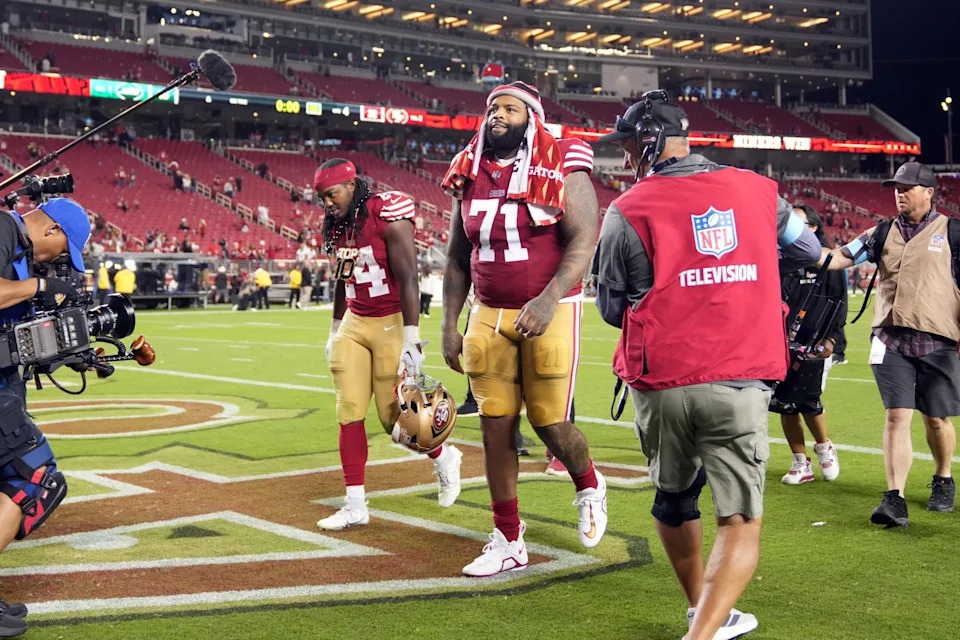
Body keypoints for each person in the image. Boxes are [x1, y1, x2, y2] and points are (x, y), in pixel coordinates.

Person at [592, 93, 821, 640]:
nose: (626, 158)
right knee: (739, 521)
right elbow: (809, 251)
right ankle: (702, 632)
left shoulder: (628, 208)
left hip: (664, 381)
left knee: (674, 500)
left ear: (650, 140)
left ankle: (703, 610)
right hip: (738, 376)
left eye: (628, 145)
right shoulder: (759, 192)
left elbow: (609, 307)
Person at [440, 81, 606, 577]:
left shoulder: (562, 163)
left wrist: (550, 296)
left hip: (549, 310)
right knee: (495, 427)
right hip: (488, 311)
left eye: (510, 108)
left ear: (530, 119)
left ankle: (589, 483)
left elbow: (584, 240)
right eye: (492, 108)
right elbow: (455, 257)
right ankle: (508, 538)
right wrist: (449, 324)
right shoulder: (468, 170)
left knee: (549, 421)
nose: (497, 115)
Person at [315, 158, 462, 531]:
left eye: (331, 194)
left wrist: (411, 338)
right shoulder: (339, 225)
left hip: (390, 322)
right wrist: (334, 330)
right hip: (354, 321)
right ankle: (355, 505)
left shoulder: (386, 212)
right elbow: (341, 278)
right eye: (322, 197)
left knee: (392, 420)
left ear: (352, 185)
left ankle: (444, 458)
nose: (327, 203)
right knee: (348, 409)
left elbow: (410, 277)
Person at [819, 162, 960, 526]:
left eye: (907, 187)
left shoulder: (953, 233)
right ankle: (894, 498)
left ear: (929, 192)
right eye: (896, 187)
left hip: (938, 340)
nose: (899, 193)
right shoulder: (879, 233)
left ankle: (943, 477)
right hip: (891, 338)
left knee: (936, 419)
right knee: (897, 417)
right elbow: (838, 258)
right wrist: (794, 246)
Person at [0, 198, 93, 637]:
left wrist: (68, 351)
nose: (57, 261)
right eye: (62, 251)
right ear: (52, 230)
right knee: (34, 480)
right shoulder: (3, 230)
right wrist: (39, 289)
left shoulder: (12, 246)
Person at [771, 204, 845, 486]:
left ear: (813, 228)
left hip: (815, 342)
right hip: (781, 341)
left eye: (799, 224)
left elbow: (840, 302)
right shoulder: (780, 260)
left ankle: (824, 446)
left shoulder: (828, 260)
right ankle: (801, 462)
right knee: (783, 403)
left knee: (808, 399)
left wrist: (832, 338)